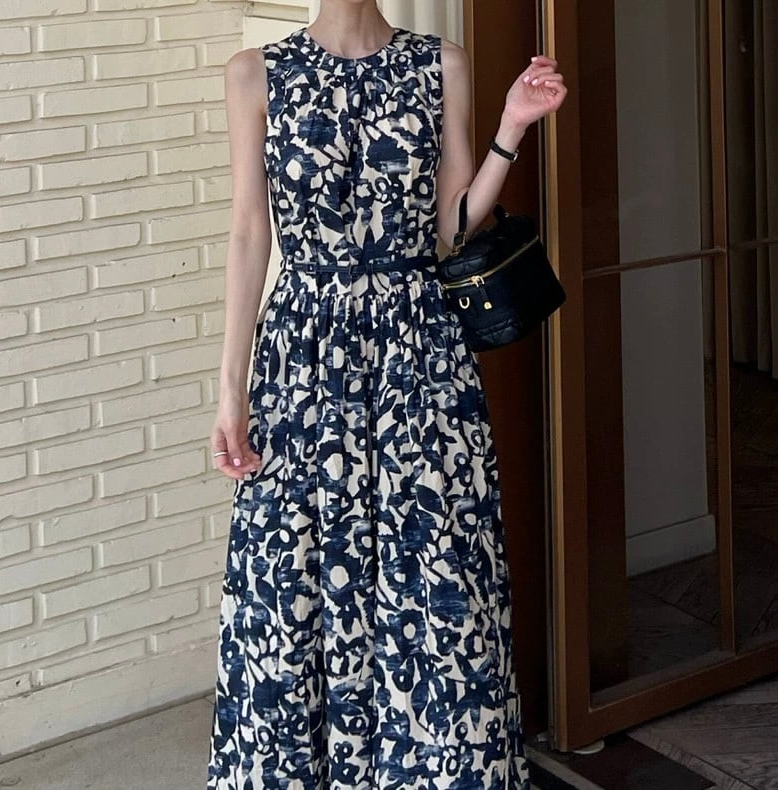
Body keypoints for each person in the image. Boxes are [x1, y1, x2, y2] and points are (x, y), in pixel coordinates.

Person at [206, 1, 566, 787]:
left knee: (435, 571)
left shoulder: (443, 62)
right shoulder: (253, 74)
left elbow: (451, 227)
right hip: (302, 364)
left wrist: (511, 127)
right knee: (293, 576)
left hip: (419, 357)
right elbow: (248, 233)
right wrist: (231, 391)